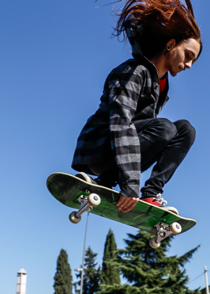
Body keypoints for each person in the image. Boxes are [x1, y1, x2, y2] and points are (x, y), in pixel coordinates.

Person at [72, 0, 202, 213]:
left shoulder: (161, 85)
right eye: (188, 56)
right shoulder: (133, 72)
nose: (188, 65)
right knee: (165, 128)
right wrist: (130, 184)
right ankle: (104, 180)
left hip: (125, 152)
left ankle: (151, 193)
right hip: (102, 146)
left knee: (185, 129)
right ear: (170, 45)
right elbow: (121, 124)